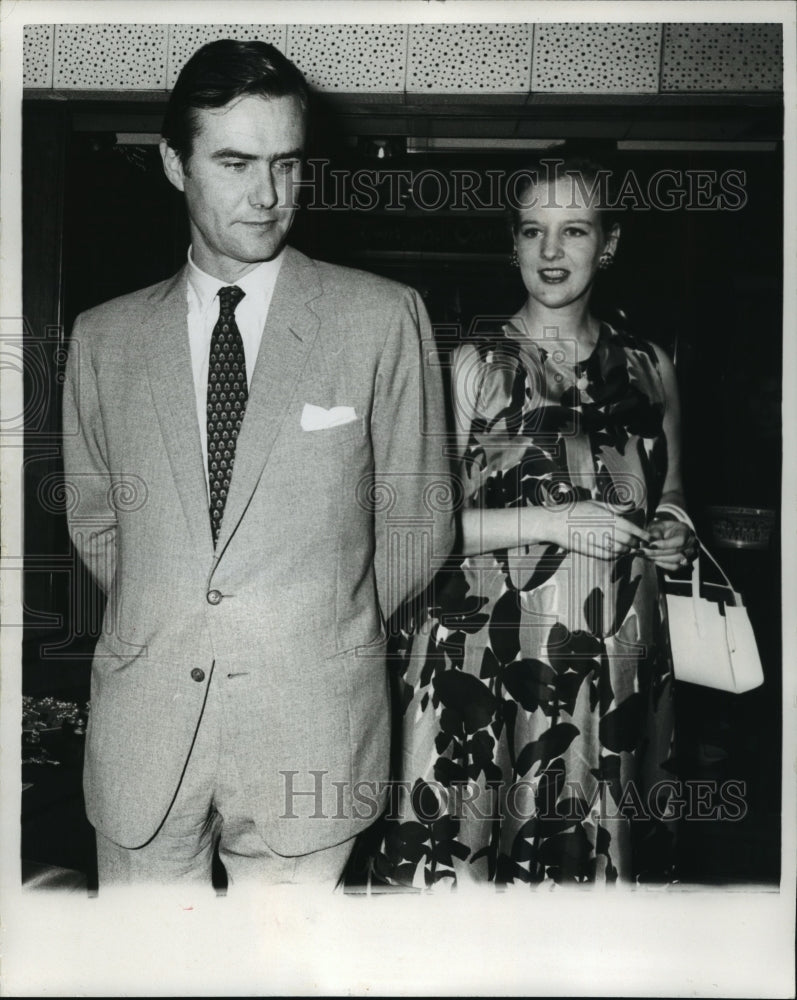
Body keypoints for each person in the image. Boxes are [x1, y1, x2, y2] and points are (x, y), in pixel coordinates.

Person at [62, 39, 454, 888]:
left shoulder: (382, 318)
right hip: (144, 734)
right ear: (174, 164)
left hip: (309, 727)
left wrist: (315, 625)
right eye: (235, 162)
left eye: (286, 163)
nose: (269, 194)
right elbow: (95, 518)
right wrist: (174, 608)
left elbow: (420, 522)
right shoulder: (103, 337)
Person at [370, 156, 696, 887]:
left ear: (606, 245)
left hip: (613, 657)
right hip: (485, 654)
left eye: (573, 230)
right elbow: (422, 530)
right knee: (470, 873)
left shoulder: (649, 365)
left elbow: (670, 488)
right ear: (512, 245)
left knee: (588, 880)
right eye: (532, 231)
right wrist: (553, 521)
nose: (550, 252)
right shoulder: (472, 364)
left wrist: (675, 527)